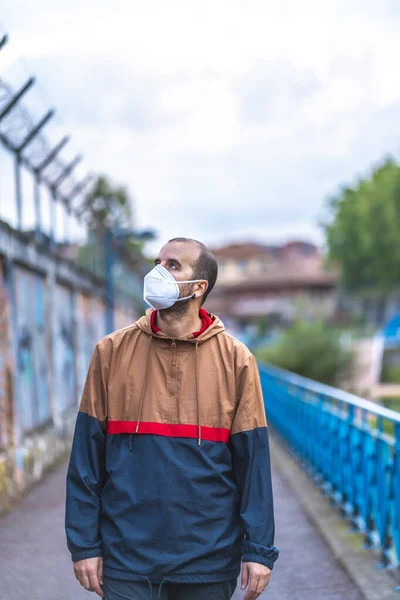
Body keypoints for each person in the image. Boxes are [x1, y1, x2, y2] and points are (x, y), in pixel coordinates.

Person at [65, 237, 279, 600]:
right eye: (157, 261)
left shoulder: (236, 361)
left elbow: (253, 463)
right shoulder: (111, 353)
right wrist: (85, 545)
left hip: (208, 560)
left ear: (199, 287)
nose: (157, 271)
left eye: (172, 265)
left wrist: (258, 550)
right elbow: (85, 459)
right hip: (126, 558)